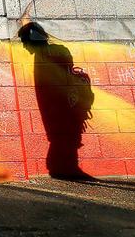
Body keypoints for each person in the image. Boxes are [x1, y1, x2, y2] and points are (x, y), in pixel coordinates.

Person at [18, 21, 95, 181]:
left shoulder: (50, 54)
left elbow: (61, 79)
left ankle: (65, 168)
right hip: (62, 104)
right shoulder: (49, 54)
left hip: (64, 103)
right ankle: (66, 168)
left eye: (25, 42)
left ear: (32, 39)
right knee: (66, 137)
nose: (24, 46)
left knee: (66, 136)